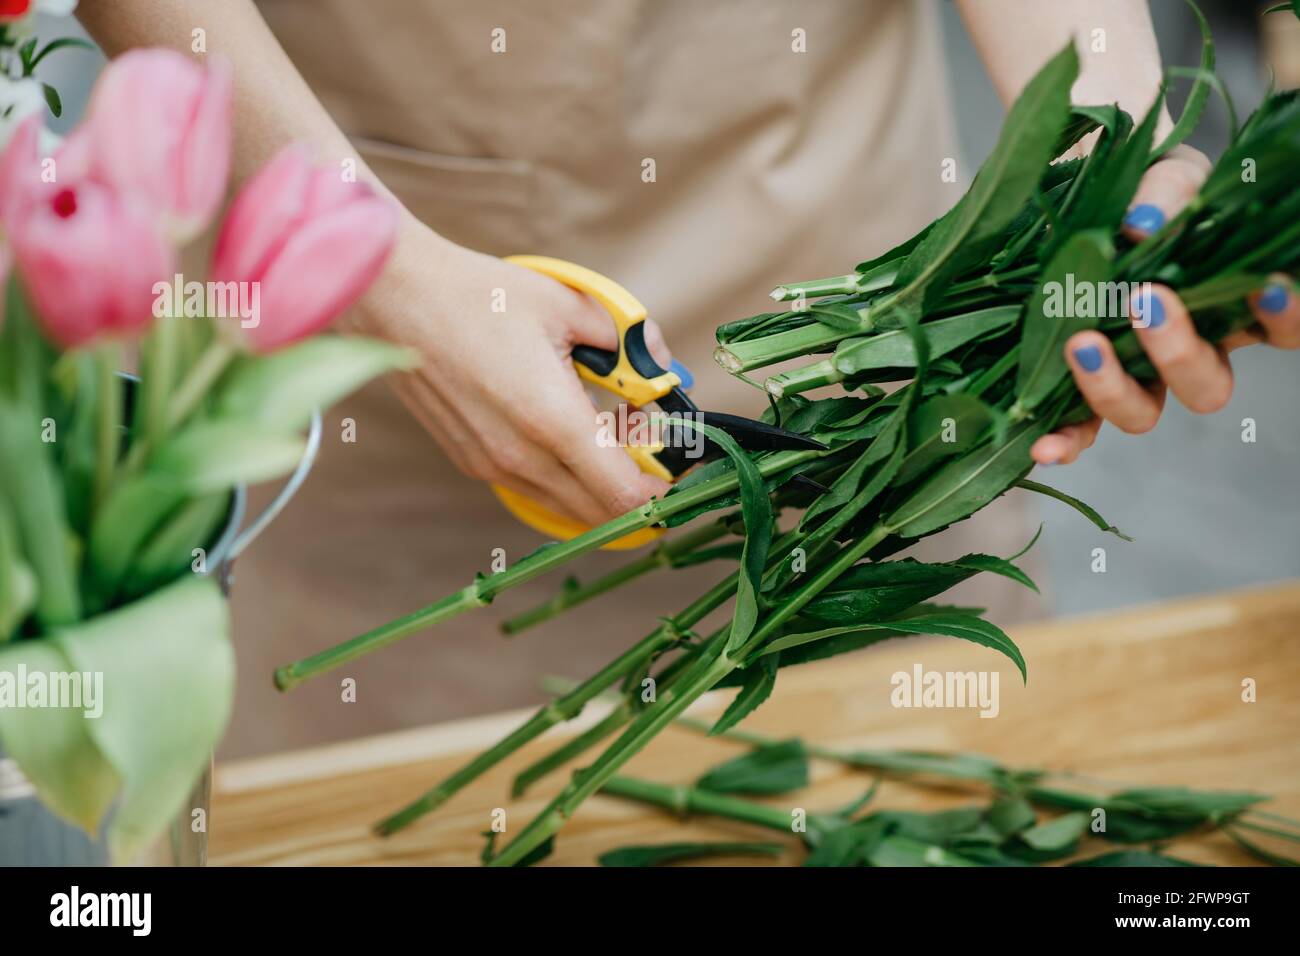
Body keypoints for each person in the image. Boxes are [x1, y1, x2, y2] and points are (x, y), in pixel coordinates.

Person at [76, 0, 1298, 755]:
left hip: (858, 318)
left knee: (914, 772)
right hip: (342, 276)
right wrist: (378, 274)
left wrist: (1100, 154)